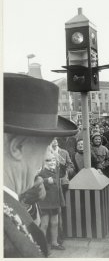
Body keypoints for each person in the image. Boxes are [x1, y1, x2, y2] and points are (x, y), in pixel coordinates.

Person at [4, 73, 77, 257]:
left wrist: (26, 203)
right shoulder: (10, 242)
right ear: (17, 147)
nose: (49, 156)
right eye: (46, 146)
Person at [38, 149, 65, 251]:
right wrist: (45, 181)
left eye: (53, 160)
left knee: (55, 223)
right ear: (43, 162)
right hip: (44, 203)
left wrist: (61, 201)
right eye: (48, 160)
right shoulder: (41, 172)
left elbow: (58, 189)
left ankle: (54, 243)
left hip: (55, 202)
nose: (52, 162)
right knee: (44, 224)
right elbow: (34, 182)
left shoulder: (56, 171)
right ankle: (41, 246)